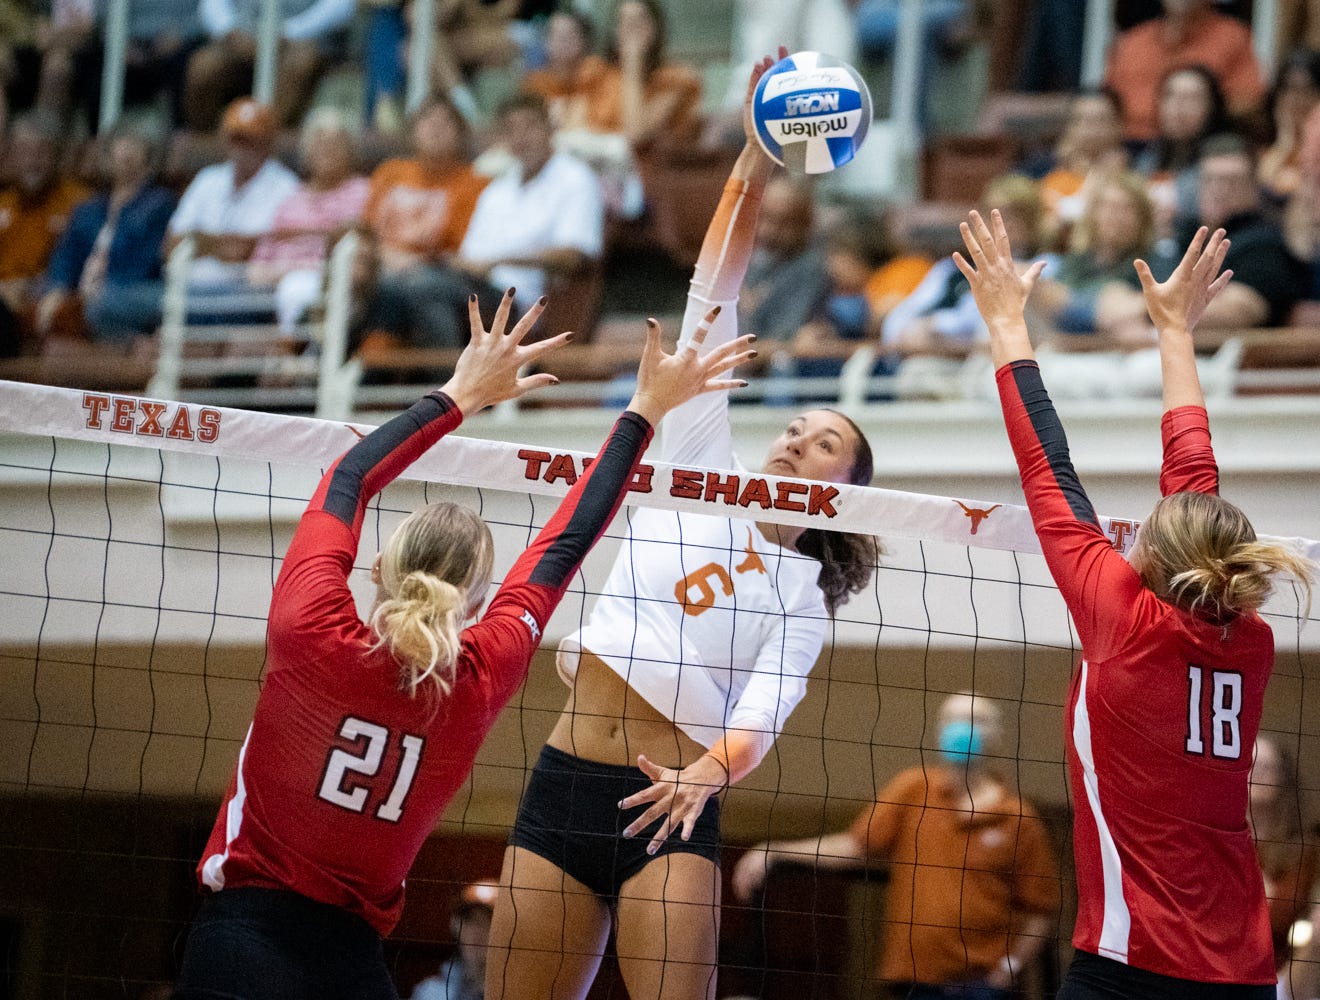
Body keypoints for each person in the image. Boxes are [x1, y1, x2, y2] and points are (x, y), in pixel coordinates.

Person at [172, 290, 757, 1000]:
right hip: (352, 966)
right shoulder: (481, 673)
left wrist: (460, 393)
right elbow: (567, 541)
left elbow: (348, 477)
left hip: (245, 940)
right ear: (477, 600)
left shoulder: (311, 628)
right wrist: (643, 412)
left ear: (381, 570)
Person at [484, 51, 881, 1000]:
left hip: (671, 805)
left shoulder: (804, 601)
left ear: (848, 490)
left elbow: (757, 728)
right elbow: (715, 292)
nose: (797, 439)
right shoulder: (703, 467)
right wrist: (751, 157)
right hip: (565, 782)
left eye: (825, 441)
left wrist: (709, 775)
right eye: (795, 426)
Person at [955, 209, 1316, 997]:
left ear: (1156, 561)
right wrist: (1175, 333)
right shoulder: (1242, 637)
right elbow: (1192, 477)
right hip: (1243, 970)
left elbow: (1047, 465)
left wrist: (1007, 323)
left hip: (1134, 969)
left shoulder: (1127, 622)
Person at [732, 692, 1061, 999]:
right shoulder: (913, 790)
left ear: (996, 735)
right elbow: (854, 846)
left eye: (974, 720)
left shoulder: (1018, 818)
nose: (961, 729)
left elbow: (1041, 909)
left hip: (982, 987)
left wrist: (1009, 967)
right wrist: (775, 850)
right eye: (952, 720)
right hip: (913, 982)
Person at [1101, 137, 1306, 340]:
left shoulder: (1264, 244)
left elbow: (1238, 311)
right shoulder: (1180, 237)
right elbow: (1111, 299)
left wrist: (1149, 312)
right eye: (1210, 179)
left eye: (1231, 181)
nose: (1219, 189)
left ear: (1253, 187)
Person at [454, 93, 603, 313]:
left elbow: (572, 255)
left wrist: (498, 261)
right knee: (411, 289)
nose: (521, 137)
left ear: (550, 129)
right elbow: (468, 257)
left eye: (530, 126)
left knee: (433, 293)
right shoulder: (495, 190)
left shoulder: (576, 178)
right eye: (511, 130)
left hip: (523, 300)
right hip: (475, 287)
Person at [37, 126, 176, 343]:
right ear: (107, 155)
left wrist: (100, 290)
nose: (126, 152)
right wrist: (58, 289)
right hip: (87, 291)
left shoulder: (160, 204)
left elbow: (147, 263)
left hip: (130, 291)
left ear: (148, 158)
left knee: (103, 305)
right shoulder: (88, 210)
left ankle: (127, 342)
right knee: (39, 299)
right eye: (121, 144)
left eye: (135, 146)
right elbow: (67, 255)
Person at [166, 97, 300, 307]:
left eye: (250, 140)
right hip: (190, 287)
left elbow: (247, 250)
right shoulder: (208, 178)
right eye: (236, 139)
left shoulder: (286, 185)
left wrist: (202, 242)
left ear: (267, 143)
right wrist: (225, 245)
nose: (241, 148)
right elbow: (172, 242)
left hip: (251, 290)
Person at [248, 109, 369, 333]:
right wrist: (273, 272)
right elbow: (259, 264)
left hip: (337, 285)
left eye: (335, 143)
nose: (327, 150)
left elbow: (362, 252)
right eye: (320, 142)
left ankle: (298, 355)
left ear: (350, 150)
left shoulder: (363, 193)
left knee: (297, 289)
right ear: (307, 150)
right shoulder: (291, 197)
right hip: (278, 282)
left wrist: (298, 270)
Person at [1103, 0, 1266, 142]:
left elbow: (1249, 102)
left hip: (1200, 149)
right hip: (1127, 147)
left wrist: (1201, 109)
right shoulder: (1132, 42)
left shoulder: (1232, 37)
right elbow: (1106, 102)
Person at [183, 0, 354, 130]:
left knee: (300, 61)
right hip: (241, 38)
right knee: (204, 65)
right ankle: (208, 142)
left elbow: (341, 5)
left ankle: (265, 139)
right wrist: (229, 30)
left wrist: (289, 33)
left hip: (299, 39)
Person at [0, 110, 88, 355]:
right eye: (24, 152)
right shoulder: (3, 202)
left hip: (47, 299)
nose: (33, 161)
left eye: (42, 151)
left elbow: (80, 268)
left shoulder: (78, 203)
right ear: (10, 156)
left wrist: (31, 287)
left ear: (56, 154)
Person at [1249, 735, 1319, 989]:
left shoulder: (1301, 846)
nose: (1255, 773)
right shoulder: (1224, 835)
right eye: (1250, 764)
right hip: (1219, 962)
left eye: (1265, 767)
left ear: (1282, 777)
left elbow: (1277, 918)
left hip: (1277, 969)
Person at [738, 174, 832, 344]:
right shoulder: (749, 260)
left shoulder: (810, 270)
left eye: (782, 223)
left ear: (806, 224)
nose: (767, 232)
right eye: (764, 217)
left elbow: (785, 339)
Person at [410, 880, 499, 1000]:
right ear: (455, 926)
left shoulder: (518, 991)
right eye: (469, 920)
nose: (476, 931)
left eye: (487, 921)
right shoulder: (430, 992)